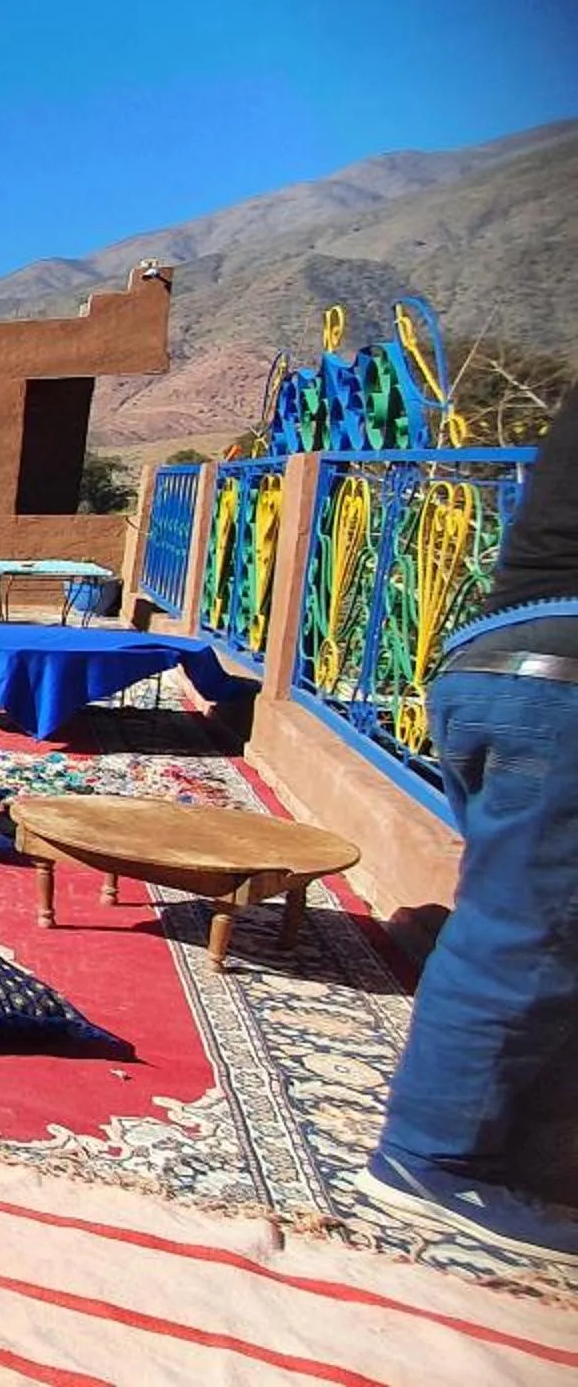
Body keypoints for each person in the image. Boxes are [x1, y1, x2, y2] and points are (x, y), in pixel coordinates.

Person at [360, 392, 578, 1265]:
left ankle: (509, 1145)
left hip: (503, 656)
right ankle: (435, 1158)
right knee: (533, 933)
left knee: (525, 924)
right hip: (554, 681)